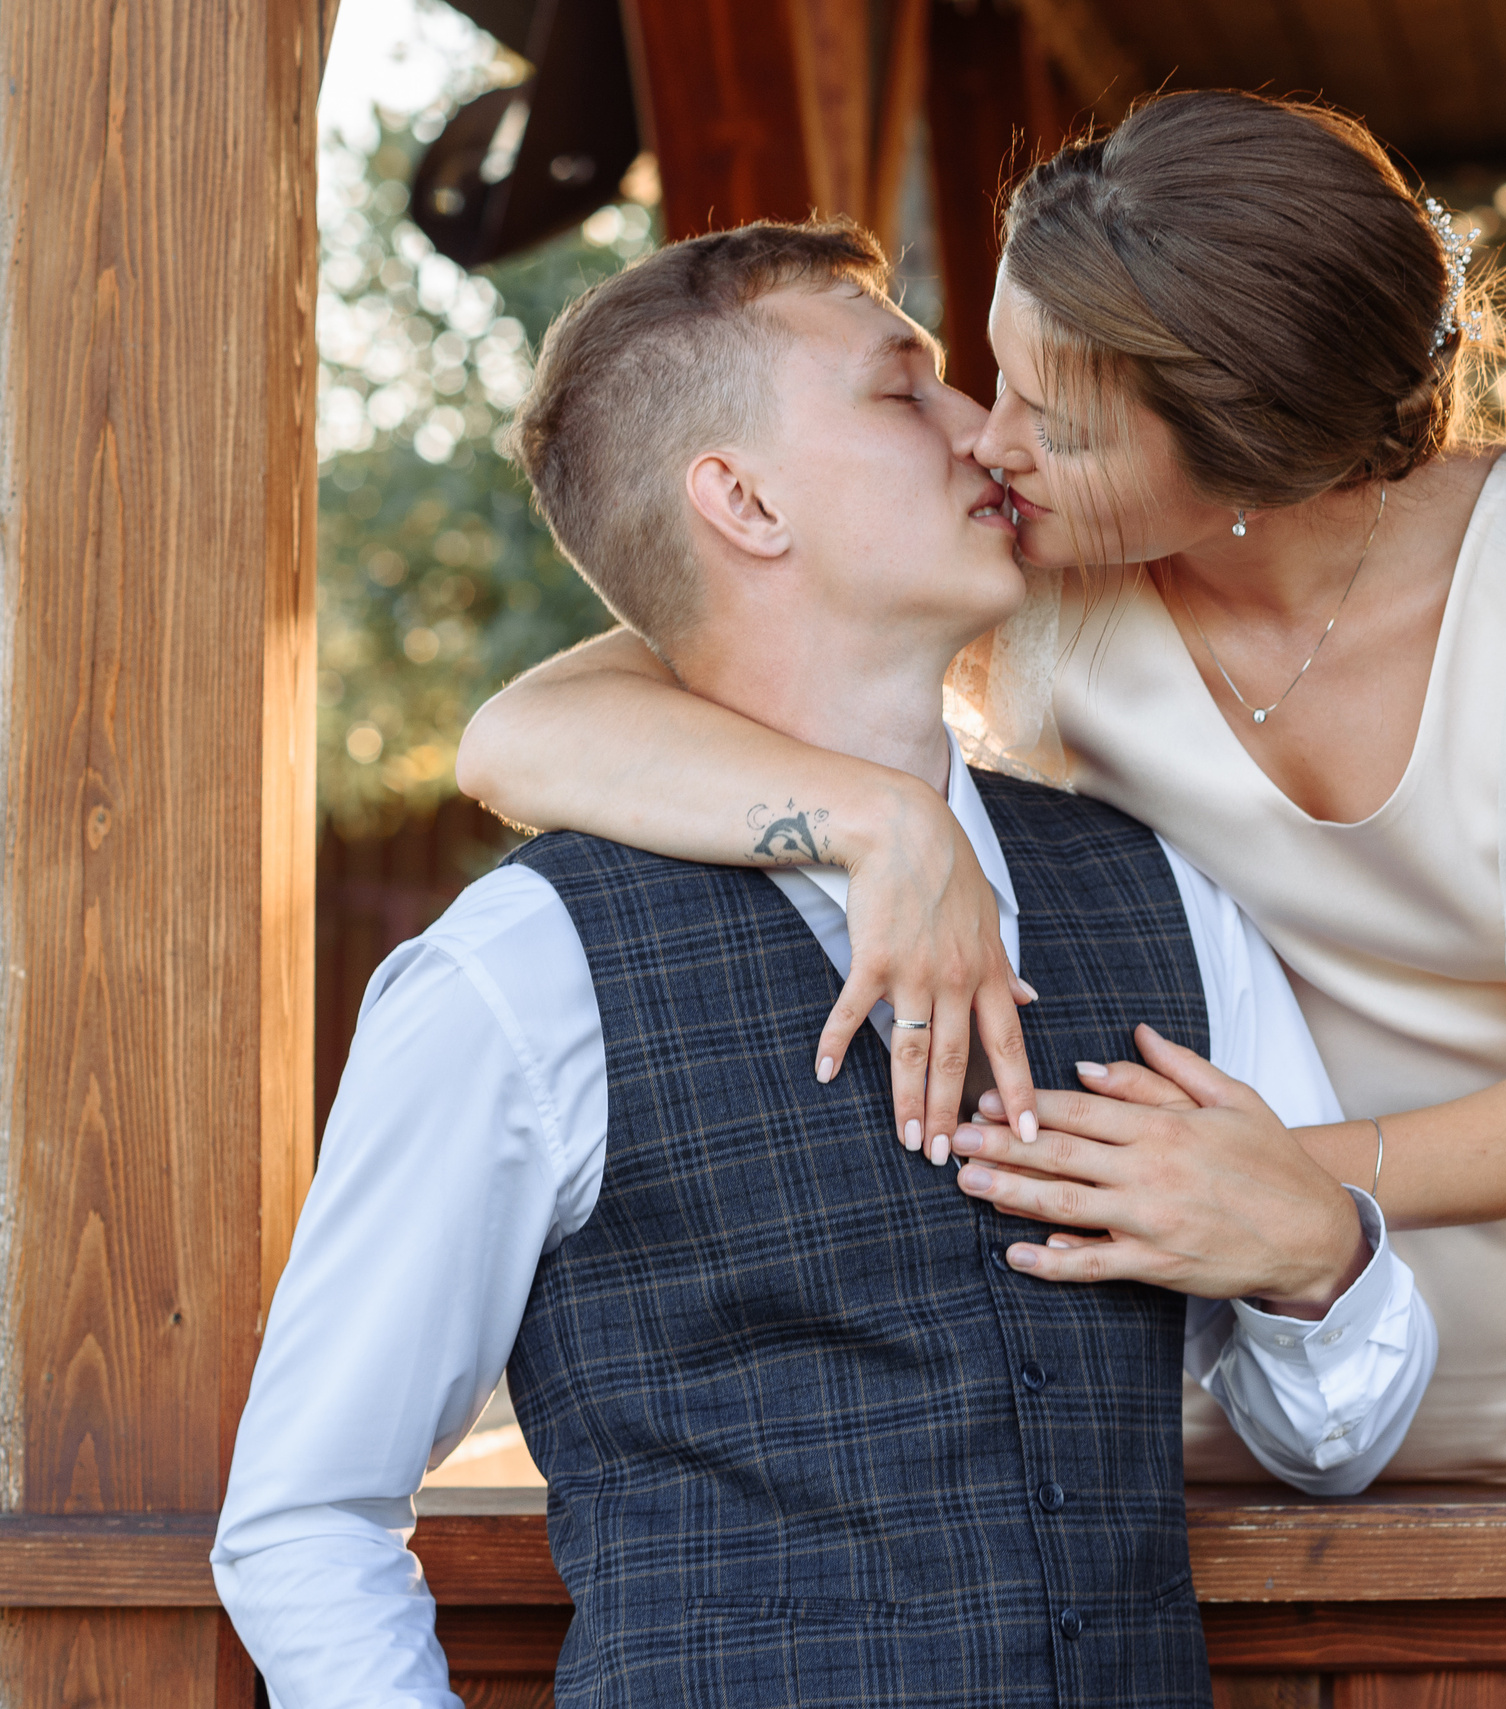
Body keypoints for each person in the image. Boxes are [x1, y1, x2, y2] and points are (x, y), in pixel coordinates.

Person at [459, 89, 1506, 1485]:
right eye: (1004, 371)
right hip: (1230, 1422)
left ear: (1255, 459)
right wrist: (883, 823)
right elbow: (526, 733)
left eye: (1064, 425)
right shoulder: (1026, 573)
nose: (993, 440)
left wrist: (1261, 1187)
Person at [215, 219, 1436, 1709]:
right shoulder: (520, 976)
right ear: (742, 498)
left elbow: (1334, 1436)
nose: (987, 430)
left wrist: (1327, 1258)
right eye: (900, 389)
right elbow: (305, 1516)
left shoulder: (1156, 895)